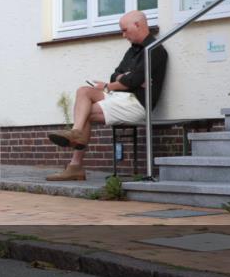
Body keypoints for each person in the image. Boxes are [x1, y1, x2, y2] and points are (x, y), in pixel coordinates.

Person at [44, 10, 168, 181]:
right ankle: (76, 133)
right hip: (121, 97)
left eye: (125, 30)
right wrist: (125, 79)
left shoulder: (155, 50)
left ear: (137, 25)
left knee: (85, 112)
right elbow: (116, 75)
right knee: (83, 91)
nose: (123, 35)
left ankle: (75, 165)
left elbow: (131, 81)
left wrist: (114, 84)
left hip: (137, 103)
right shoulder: (132, 51)